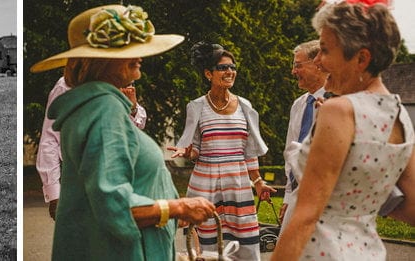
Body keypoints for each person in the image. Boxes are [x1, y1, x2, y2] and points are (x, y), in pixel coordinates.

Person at [30, 4, 218, 260]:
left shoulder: (95, 107)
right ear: (100, 61)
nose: (141, 54)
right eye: (129, 48)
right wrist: (178, 207)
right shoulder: (103, 111)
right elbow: (115, 208)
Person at [272, 1, 414, 259]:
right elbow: (412, 208)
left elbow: (305, 217)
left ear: (361, 58)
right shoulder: (399, 115)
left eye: (325, 51)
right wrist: (359, 198)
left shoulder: (338, 111)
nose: (318, 61)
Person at [168, 42, 275, 260]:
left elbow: (249, 150)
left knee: (245, 241)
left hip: (238, 183)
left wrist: (258, 182)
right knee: (208, 244)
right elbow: (195, 147)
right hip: (205, 182)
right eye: (223, 68)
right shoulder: (196, 106)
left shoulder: (245, 106)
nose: (230, 72)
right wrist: (189, 153)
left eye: (233, 67)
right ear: (208, 73)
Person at [35, 76, 148, 220]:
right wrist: (54, 193)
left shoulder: (120, 79)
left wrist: (132, 108)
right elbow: (50, 138)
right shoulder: (67, 85)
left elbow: (135, 128)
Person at [280, 40, 328, 226]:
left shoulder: (339, 101)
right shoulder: (298, 105)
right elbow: (289, 153)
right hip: (296, 196)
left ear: (318, 64)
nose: (293, 72)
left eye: (298, 65)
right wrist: (287, 197)